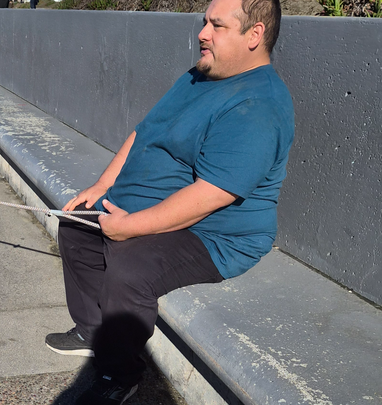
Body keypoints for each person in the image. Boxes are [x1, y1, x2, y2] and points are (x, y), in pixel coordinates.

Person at [43, 0, 295, 403]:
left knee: (130, 269)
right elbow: (146, 131)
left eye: (217, 26)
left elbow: (210, 195)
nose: (202, 34)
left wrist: (129, 227)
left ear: (255, 34)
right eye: (204, 22)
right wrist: (102, 184)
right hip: (159, 209)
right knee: (77, 223)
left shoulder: (257, 105)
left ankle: (120, 374)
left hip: (214, 235)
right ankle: (92, 331)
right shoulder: (200, 75)